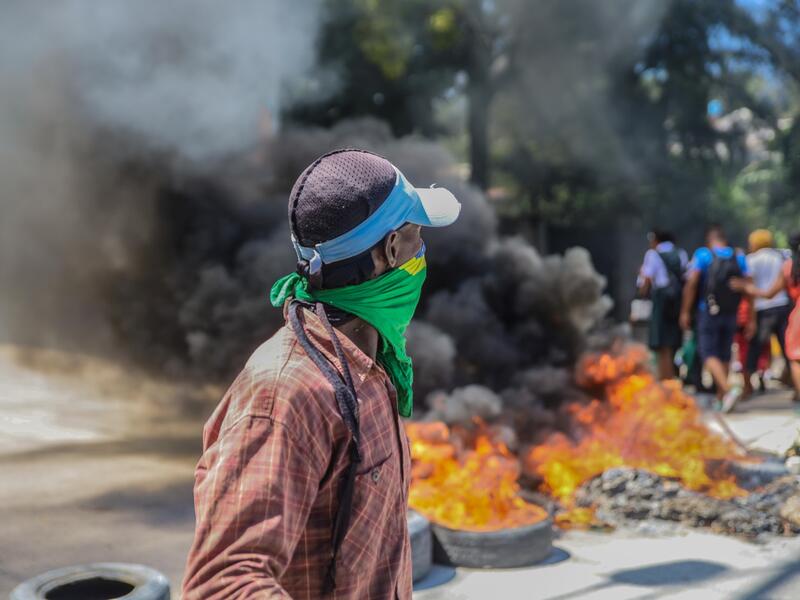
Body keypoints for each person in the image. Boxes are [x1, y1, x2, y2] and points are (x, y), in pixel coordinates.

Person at [181, 149, 461, 599]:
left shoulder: (367, 366)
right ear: (392, 250)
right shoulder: (285, 394)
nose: (422, 252)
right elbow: (223, 585)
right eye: (417, 235)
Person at [680, 224, 749, 412]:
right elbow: (748, 285)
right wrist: (751, 317)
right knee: (724, 353)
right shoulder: (738, 256)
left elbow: (692, 283)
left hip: (708, 311)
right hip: (731, 312)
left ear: (709, 240)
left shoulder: (703, 254)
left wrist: (685, 311)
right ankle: (721, 398)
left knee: (708, 353)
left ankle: (727, 390)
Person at [735, 233, 800, 405]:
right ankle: (796, 388)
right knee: (789, 351)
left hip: (762, 309)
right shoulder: (780, 258)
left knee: (754, 349)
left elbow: (753, 293)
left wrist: (751, 317)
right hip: (782, 307)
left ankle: (747, 386)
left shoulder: (751, 260)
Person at [637, 229, 687, 379]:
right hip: (678, 301)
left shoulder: (652, 254)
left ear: (656, 240)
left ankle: (666, 379)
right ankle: (672, 376)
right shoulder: (681, 253)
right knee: (673, 342)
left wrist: (641, 293)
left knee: (662, 344)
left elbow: (647, 278)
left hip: (661, 300)